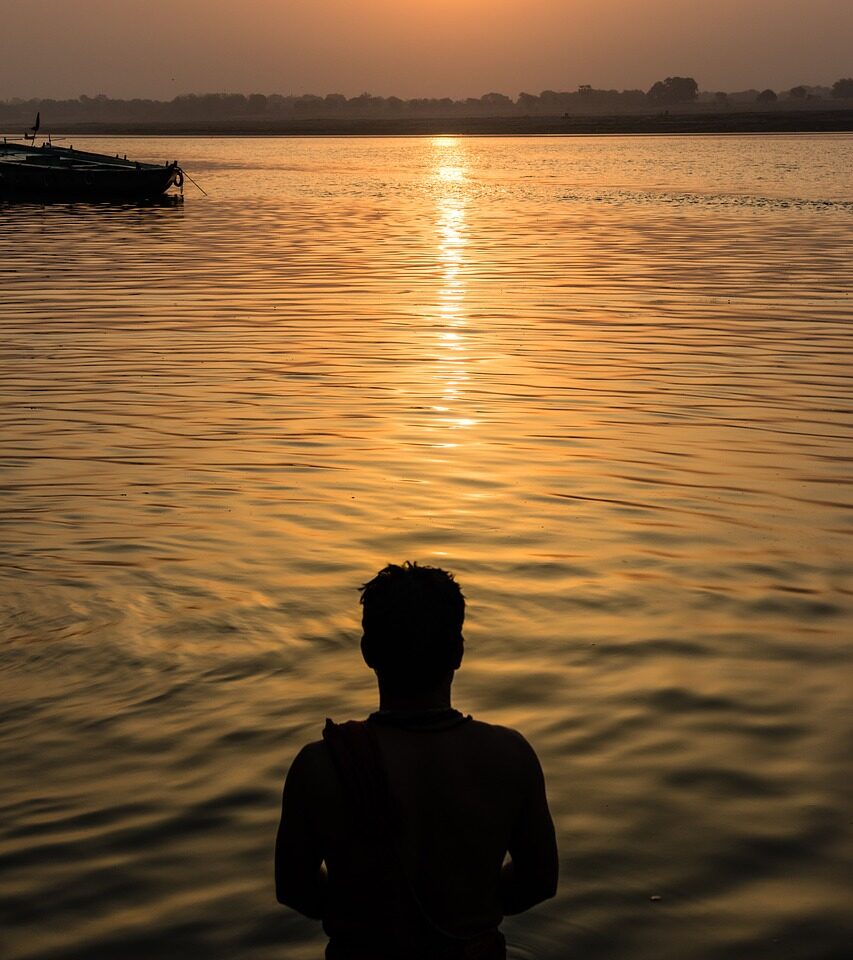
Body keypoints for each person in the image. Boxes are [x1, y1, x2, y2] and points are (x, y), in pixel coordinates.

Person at [275, 562, 558, 959]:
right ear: (458, 653)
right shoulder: (512, 758)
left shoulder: (320, 767)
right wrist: (469, 911)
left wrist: (368, 917)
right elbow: (539, 881)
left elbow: (294, 888)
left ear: (367, 652)